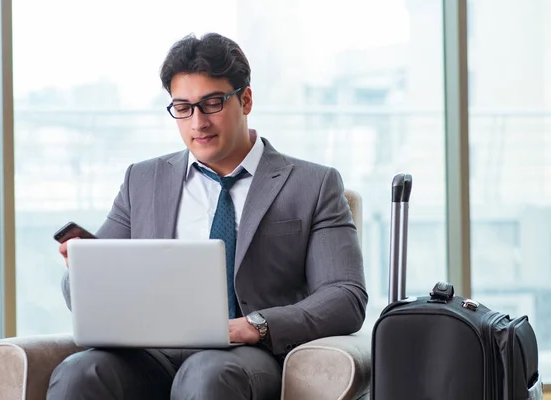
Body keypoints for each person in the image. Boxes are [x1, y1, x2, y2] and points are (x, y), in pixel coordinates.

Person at [47, 32, 368, 400]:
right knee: (80, 372)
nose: (197, 122)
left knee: (206, 375)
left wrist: (256, 326)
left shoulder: (312, 184)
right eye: (182, 108)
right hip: (151, 356)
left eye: (212, 103)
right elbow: (90, 297)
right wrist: (83, 270)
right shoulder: (142, 180)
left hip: (248, 357)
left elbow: (345, 295)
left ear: (245, 100)